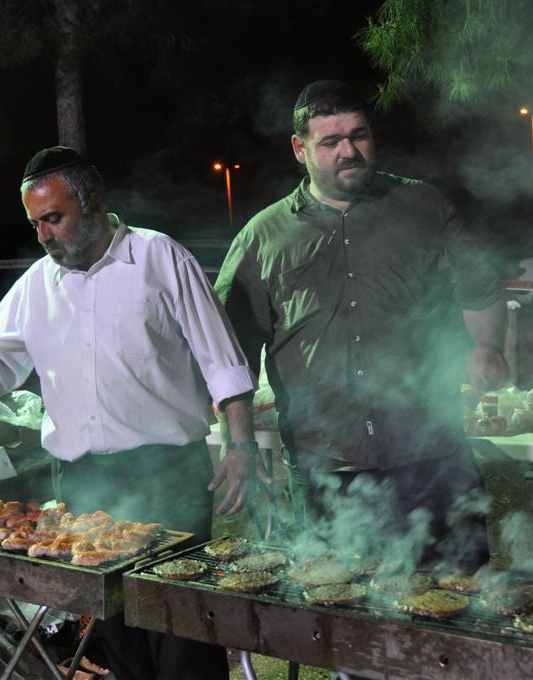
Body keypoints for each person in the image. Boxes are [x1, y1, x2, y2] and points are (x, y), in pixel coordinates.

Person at [0, 146, 258, 680]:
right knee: (117, 631)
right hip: (85, 484)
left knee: (181, 627)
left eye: (54, 219)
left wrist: (241, 447)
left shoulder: (159, 257)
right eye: (36, 224)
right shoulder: (37, 284)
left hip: (167, 474)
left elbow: (223, 362)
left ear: (93, 203)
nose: (44, 236)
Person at [215, 81, 508, 572]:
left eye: (359, 136)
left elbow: (480, 287)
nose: (349, 151)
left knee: (462, 602)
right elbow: (232, 355)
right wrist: (238, 443)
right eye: (330, 142)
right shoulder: (263, 237)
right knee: (346, 614)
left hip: (432, 455)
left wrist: (488, 345)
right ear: (300, 148)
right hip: (328, 465)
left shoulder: (422, 206)